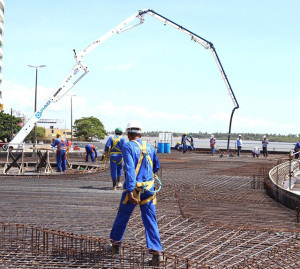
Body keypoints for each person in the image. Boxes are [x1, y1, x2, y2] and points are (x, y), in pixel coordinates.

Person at [110, 120, 163, 266]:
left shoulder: (127, 146)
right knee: (150, 220)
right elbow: (156, 166)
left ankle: (115, 245)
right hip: (149, 189)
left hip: (135, 190)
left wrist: (131, 190)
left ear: (128, 134)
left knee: (122, 217)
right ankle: (156, 253)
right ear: (140, 133)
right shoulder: (150, 147)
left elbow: (130, 170)